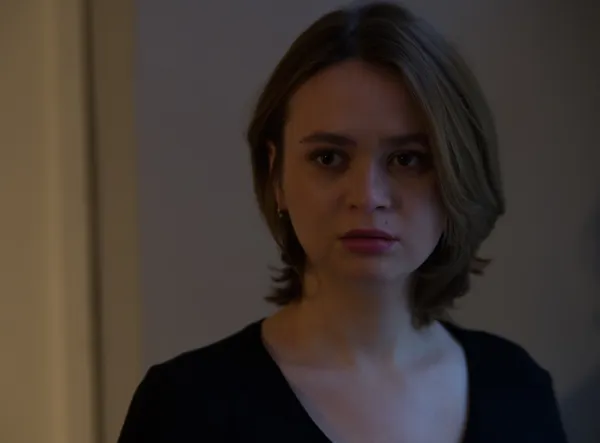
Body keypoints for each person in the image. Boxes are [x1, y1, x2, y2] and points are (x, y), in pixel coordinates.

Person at [118, 2, 568, 442]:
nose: (367, 197)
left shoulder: (518, 388)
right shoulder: (185, 407)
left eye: (407, 159)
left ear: (457, 174)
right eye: (329, 158)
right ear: (276, 176)